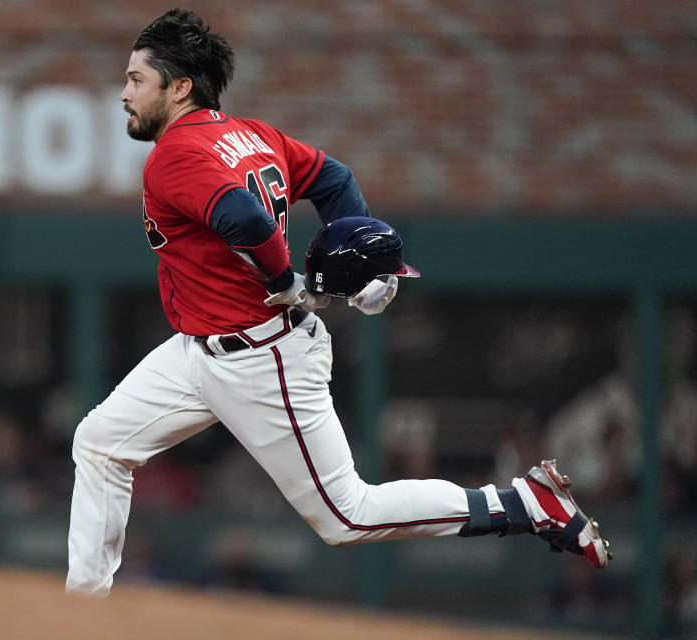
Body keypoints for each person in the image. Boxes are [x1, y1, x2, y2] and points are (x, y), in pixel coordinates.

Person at [66, 8, 611, 596]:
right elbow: (334, 178)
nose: (123, 92)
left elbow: (244, 219)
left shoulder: (174, 153)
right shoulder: (252, 135)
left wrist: (284, 278)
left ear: (180, 88)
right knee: (99, 444)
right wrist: (365, 267)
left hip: (261, 356)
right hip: (197, 351)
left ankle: (522, 504)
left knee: (348, 516)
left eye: (136, 79)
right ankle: (85, 612)